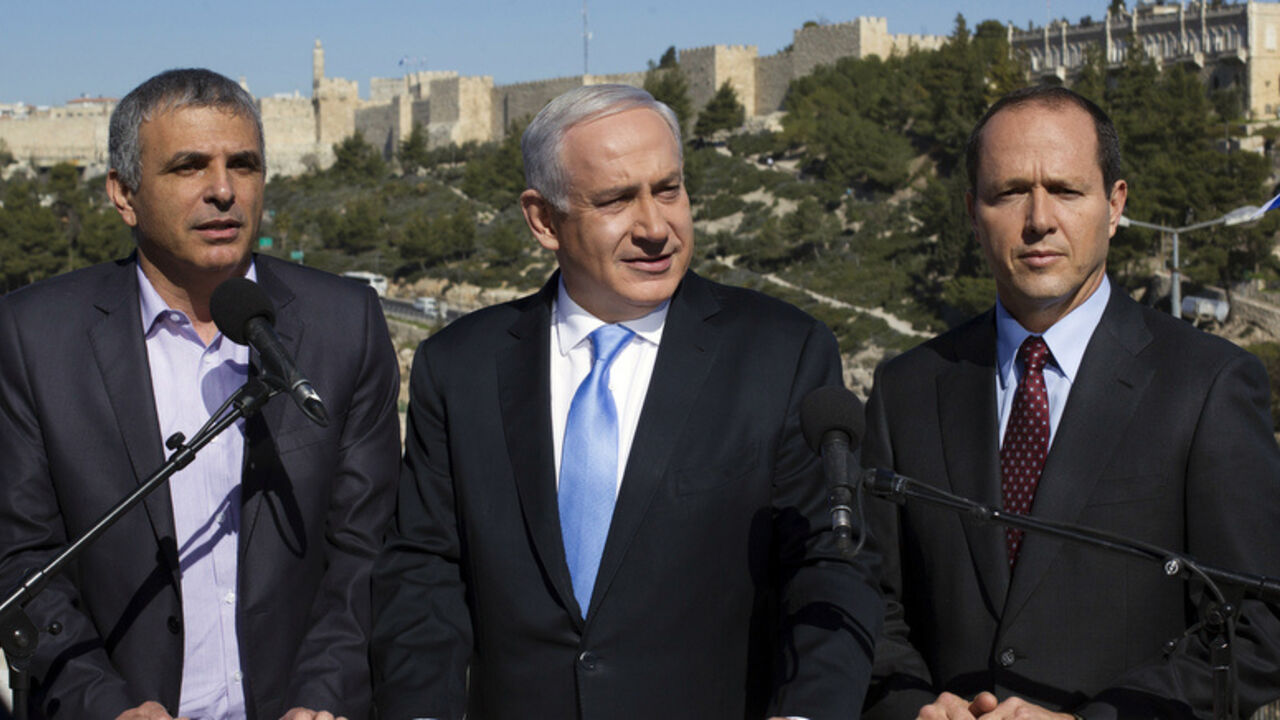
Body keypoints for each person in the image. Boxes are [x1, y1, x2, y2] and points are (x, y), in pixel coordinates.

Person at [371, 84, 882, 720]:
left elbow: (830, 564)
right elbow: (423, 573)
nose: (654, 227)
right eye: (617, 200)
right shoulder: (461, 366)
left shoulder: (782, 354)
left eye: (668, 189)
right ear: (542, 220)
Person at [861, 85, 1280, 719]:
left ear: (1114, 206)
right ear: (973, 212)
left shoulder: (1208, 385)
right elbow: (871, 601)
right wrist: (913, 706)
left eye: (1065, 190)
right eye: (1009, 193)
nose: (1038, 220)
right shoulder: (907, 390)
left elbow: (1260, 628)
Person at [0, 69, 400, 720]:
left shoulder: (342, 324)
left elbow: (368, 547)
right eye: (189, 167)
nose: (222, 191)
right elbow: (20, 558)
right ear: (124, 196)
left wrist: (323, 697)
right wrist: (104, 706)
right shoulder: (33, 336)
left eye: (243, 164)